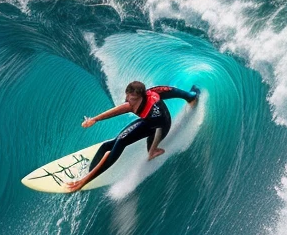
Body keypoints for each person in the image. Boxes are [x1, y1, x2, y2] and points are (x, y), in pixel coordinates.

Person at [65, 81, 200, 192]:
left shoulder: (153, 109)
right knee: (107, 145)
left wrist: (153, 149)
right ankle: (90, 172)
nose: (127, 100)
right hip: (148, 122)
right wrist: (95, 119)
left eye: (131, 98)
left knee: (120, 144)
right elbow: (173, 92)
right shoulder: (144, 96)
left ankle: (85, 180)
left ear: (141, 97)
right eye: (127, 96)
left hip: (160, 127)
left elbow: (158, 131)